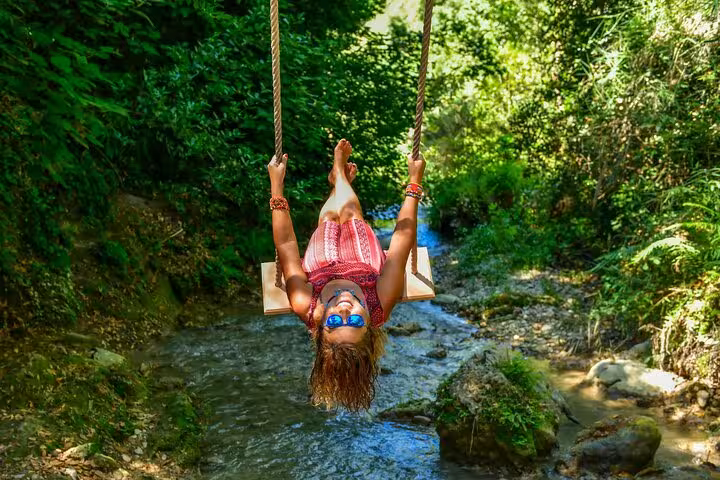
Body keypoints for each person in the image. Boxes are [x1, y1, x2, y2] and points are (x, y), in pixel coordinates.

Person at [268, 138, 425, 411]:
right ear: (370, 327)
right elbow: (401, 240)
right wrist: (414, 183)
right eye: (353, 320)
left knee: (330, 216)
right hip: (360, 246)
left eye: (334, 322)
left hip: (325, 240)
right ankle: (339, 175)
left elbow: (286, 247)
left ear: (318, 329)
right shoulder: (380, 302)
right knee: (350, 211)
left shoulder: (305, 304)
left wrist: (277, 186)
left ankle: (339, 180)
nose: (343, 310)